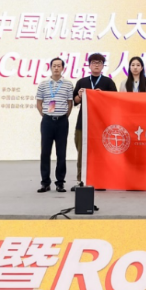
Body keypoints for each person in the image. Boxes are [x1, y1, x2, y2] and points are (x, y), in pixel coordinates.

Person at [72, 53, 118, 191]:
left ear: (103, 66)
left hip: (101, 123)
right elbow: (75, 101)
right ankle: (81, 181)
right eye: (93, 62)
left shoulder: (108, 82)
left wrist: (102, 95)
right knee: (82, 152)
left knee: (101, 153)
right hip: (83, 122)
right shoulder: (82, 82)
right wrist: (80, 95)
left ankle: (100, 180)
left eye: (99, 62)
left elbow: (115, 101)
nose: (96, 65)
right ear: (89, 65)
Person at [36, 58, 74, 193]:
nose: (56, 68)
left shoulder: (68, 84)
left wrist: (63, 116)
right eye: (54, 66)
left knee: (61, 153)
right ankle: (45, 183)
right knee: (45, 152)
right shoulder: (43, 84)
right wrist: (46, 115)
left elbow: (70, 103)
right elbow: (39, 103)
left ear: (63, 68)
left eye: (59, 66)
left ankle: (60, 183)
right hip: (47, 121)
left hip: (62, 122)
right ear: (50, 67)